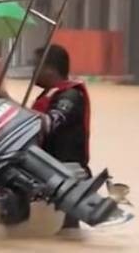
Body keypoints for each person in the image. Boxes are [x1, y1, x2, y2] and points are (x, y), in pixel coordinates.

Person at [30, 44, 91, 230]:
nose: (33, 71)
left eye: (36, 66)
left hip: (67, 175)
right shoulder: (49, 94)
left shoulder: (70, 96)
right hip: (47, 173)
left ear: (50, 69)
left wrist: (9, 102)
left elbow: (49, 123)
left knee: (66, 234)